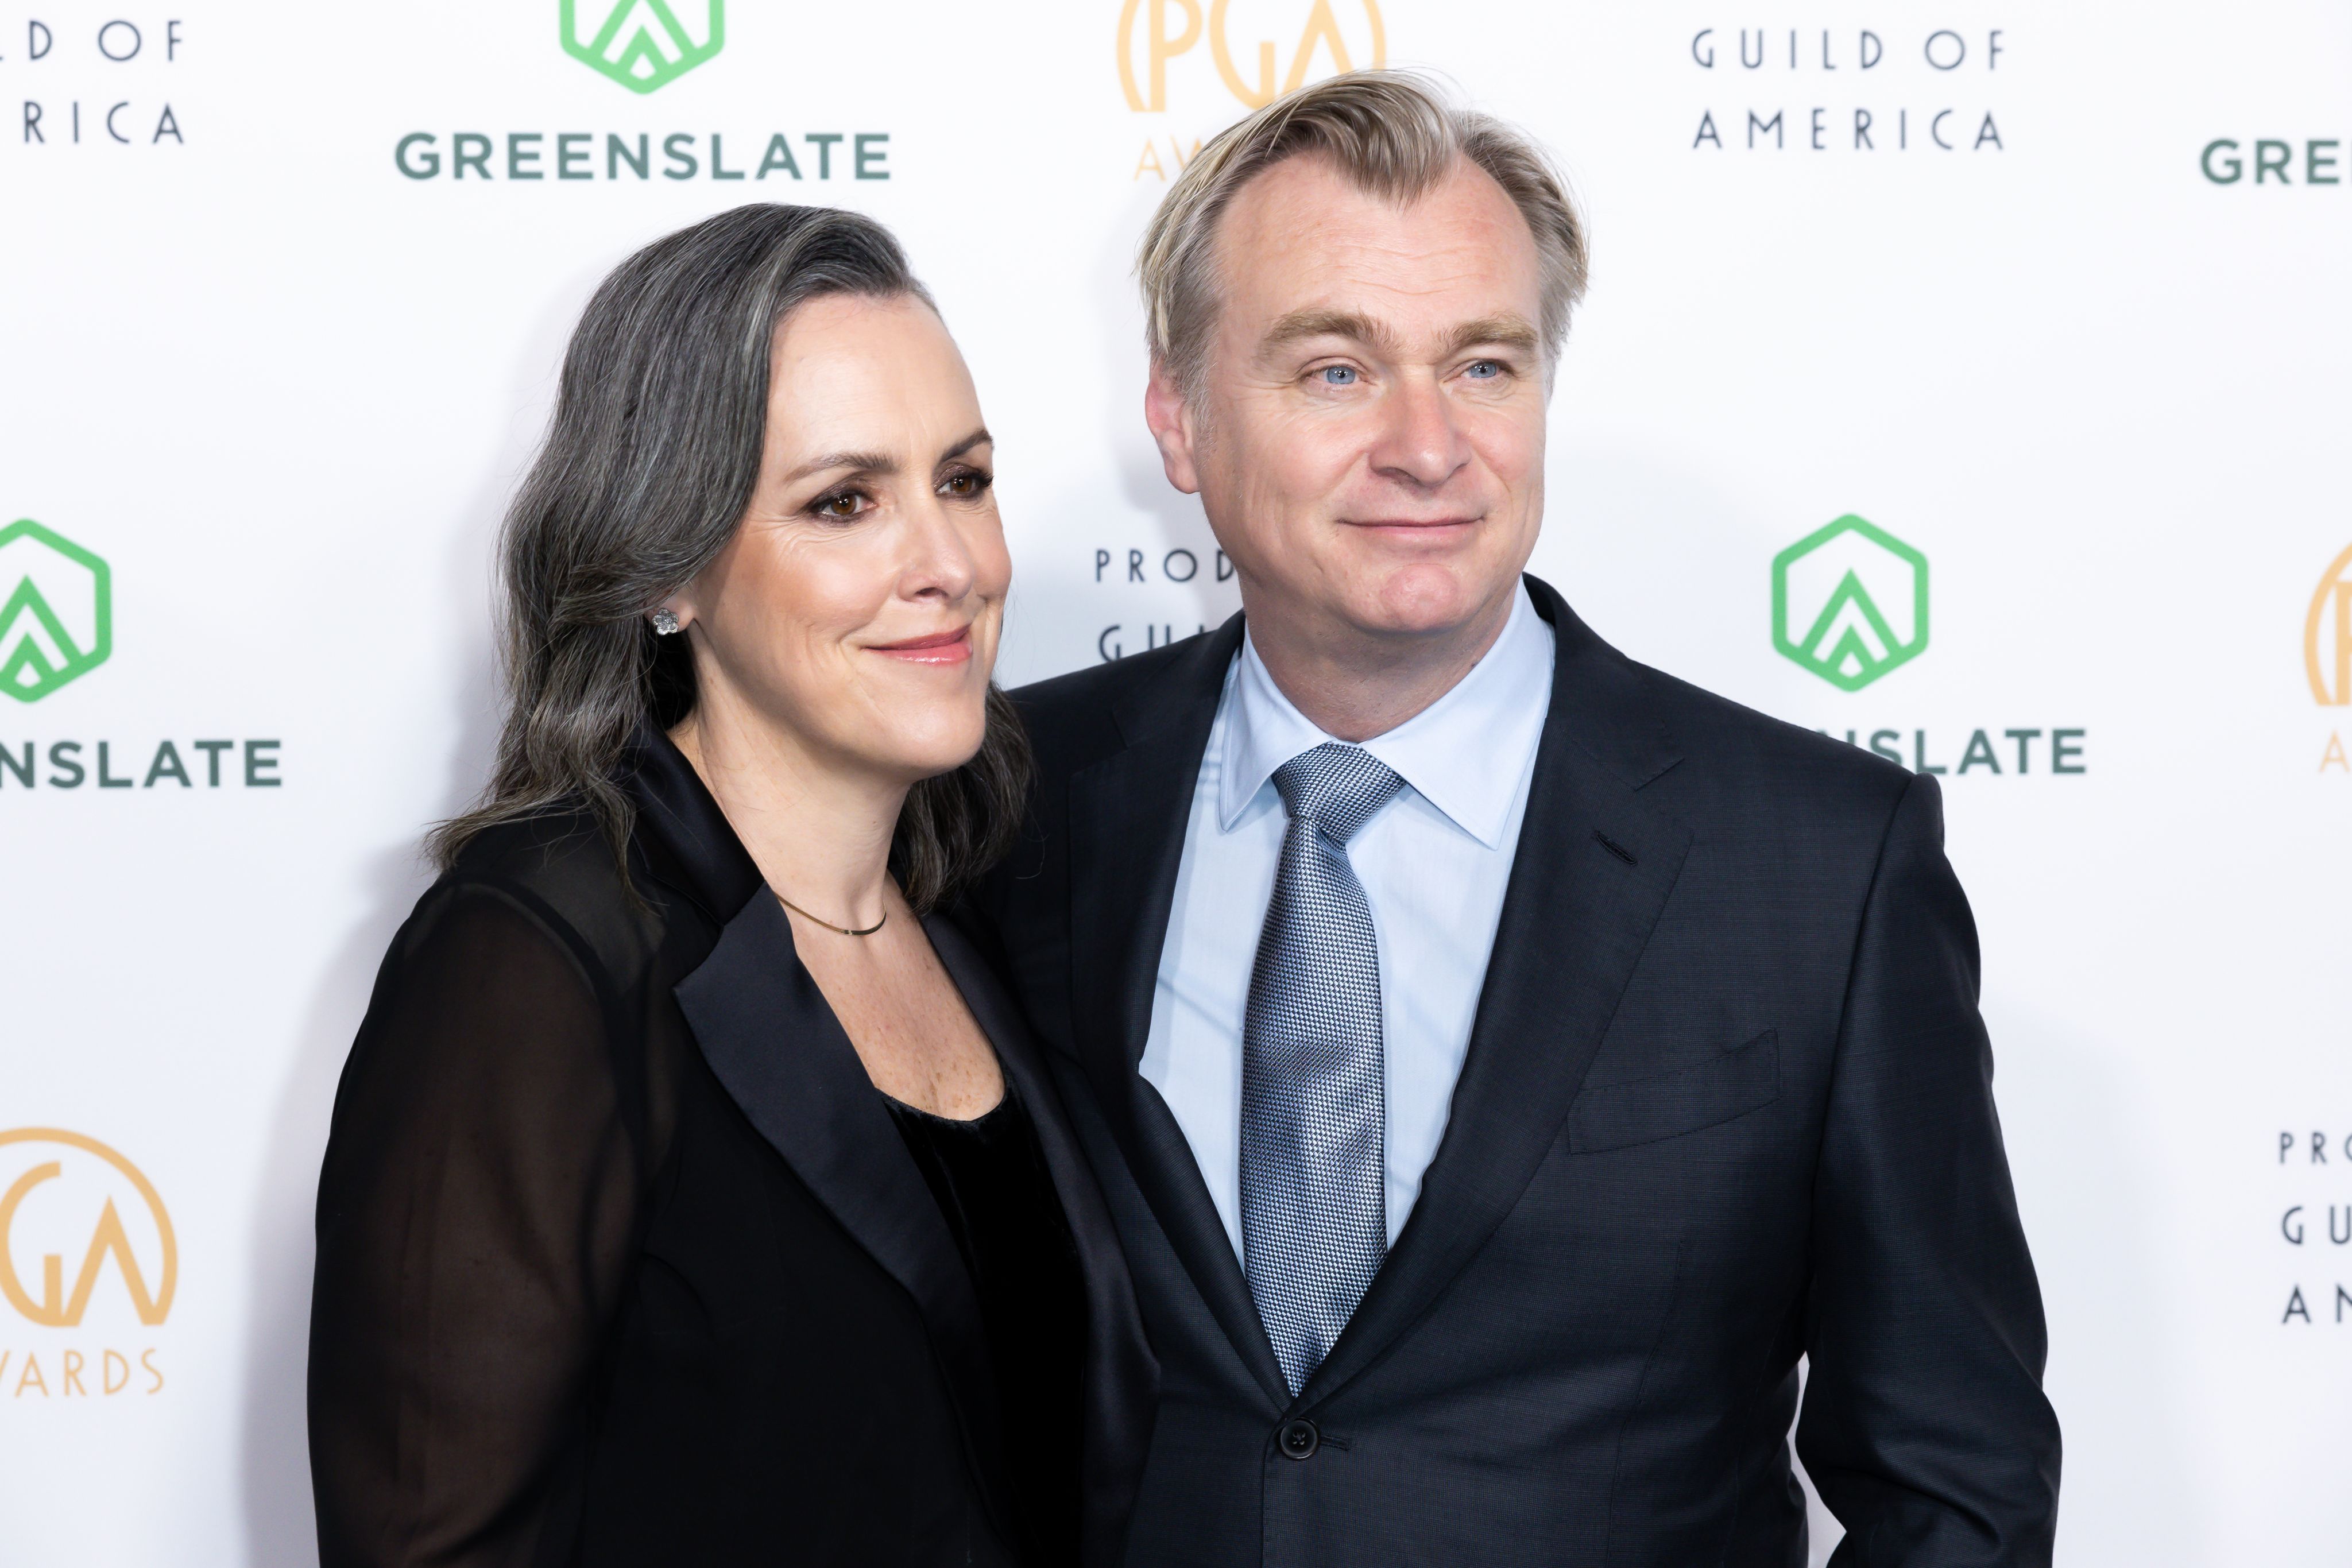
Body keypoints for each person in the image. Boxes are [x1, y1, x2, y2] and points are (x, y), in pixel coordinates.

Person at [959, 72, 2061, 1565]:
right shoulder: (1001, 799)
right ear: (1182, 416)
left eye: (1482, 365)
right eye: (1336, 370)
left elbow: (1956, 1479)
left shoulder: (1819, 863)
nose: (1428, 446)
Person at [308, 205, 1152, 1568]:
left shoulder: (961, 920)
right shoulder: (539, 954)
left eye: (965, 478)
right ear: (668, 573)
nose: (946, 565)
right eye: (843, 502)